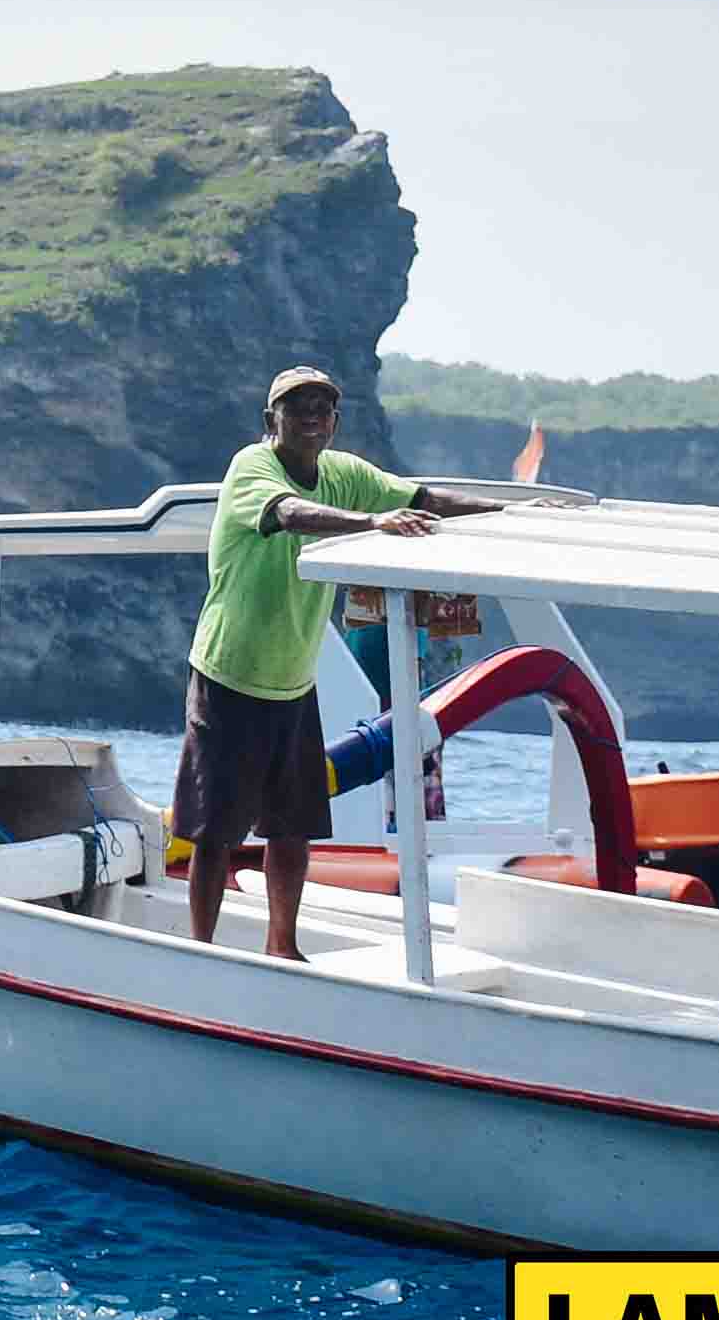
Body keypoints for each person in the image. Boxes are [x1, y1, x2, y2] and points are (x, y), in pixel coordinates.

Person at [175, 366, 505, 959]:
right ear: (269, 420)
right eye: (296, 405)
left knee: (294, 824)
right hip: (228, 674)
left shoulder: (344, 474)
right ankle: (201, 949)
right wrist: (373, 523)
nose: (310, 415)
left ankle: (284, 946)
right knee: (215, 830)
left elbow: (421, 499)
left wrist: (507, 515)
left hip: (293, 682)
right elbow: (289, 514)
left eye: (323, 407)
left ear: (335, 422)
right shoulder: (252, 467)